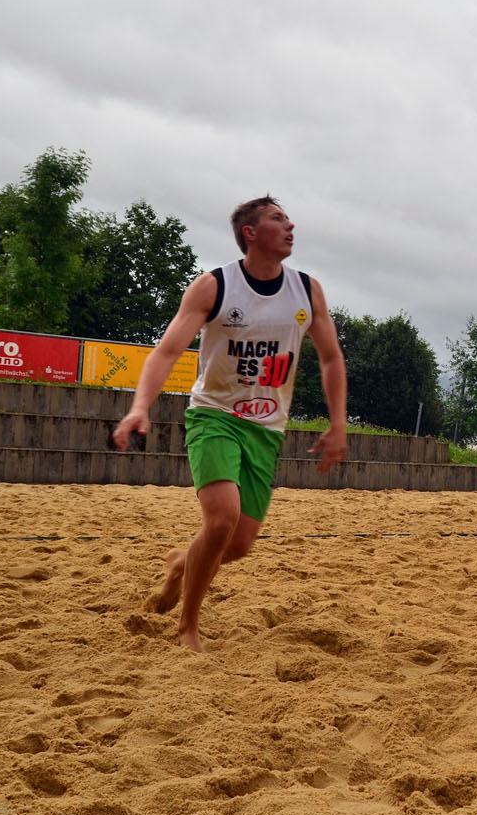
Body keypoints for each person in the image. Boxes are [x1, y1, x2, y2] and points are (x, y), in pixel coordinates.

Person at [112, 195, 347, 652]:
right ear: (250, 233)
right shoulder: (214, 286)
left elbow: (331, 358)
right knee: (221, 520)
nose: (290, 226)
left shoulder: (307, 290)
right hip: (214, 415)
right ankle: (188, 628)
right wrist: (140, 407)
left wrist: (338, 424)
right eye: (278, 218)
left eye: (289, 218)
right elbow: (166, 352)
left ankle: (181, 565)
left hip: (266, 427)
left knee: (237, 546)